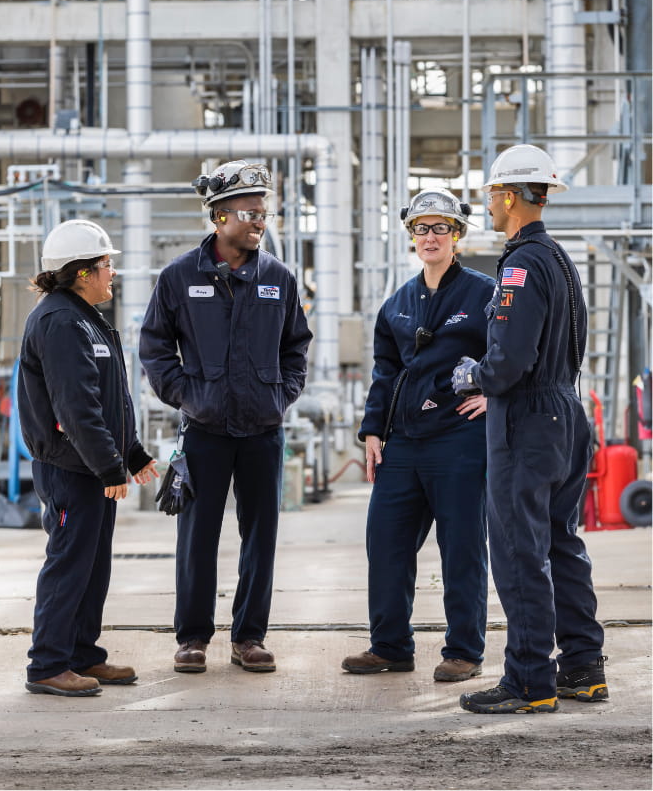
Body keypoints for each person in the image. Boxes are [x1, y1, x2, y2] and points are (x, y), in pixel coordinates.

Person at [452, 144, 608, 714]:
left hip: (526, 419)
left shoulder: (520, 264)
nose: (488, 204)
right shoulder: (560, 259)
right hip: (564, 413)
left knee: (520, 550)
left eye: (492, 193)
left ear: (511, 196)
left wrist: (474, 374)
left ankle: (528, 681)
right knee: (562, 543)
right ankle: (584, 668)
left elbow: (510, 360)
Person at [139, 160, 312, 674]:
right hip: (205, 429)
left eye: (264, 212)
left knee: (261, 535)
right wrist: (187, 395)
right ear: (219, 217)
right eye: (250, 213)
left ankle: (249, 637)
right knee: (197, 538)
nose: (260, 221)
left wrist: (280, 396)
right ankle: (192, 638)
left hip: (263, 430)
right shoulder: (178, 277)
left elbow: (296, 348)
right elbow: (154, 349)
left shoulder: (277, 278)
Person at [342, 188, 495, 681]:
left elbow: (515, 350)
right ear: (412, 235)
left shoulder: (484, 293)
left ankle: (464, 651)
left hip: (460, 438)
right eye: (422, 228)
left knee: (462, 547)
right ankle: (389, 646)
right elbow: (385, 372)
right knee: (385, 542)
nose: (431, 237)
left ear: (458, 236)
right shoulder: (398, 304)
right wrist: (372, 431)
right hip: (403, 442)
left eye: (441, 228)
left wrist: (496, 394)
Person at [18, 220, 158, 697]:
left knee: (93, 565)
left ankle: (81, 655)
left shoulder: (84, 317)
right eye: (105, 264)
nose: (112, 272)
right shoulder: (59, 321)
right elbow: (75, 408)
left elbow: (107, 399)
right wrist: (108, 466)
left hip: (90, 467)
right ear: (80, 272)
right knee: (69, 562)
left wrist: (132, 453)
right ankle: (48, 664)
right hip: (70, 469)